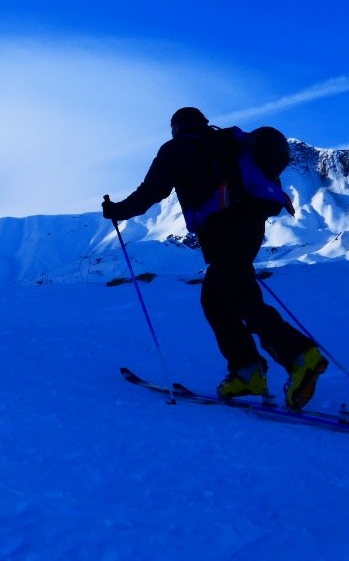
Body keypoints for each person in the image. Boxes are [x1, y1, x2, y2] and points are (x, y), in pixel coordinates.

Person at [102, 107, 328, 410]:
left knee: (243, 300)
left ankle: (300, 356)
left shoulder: (178, 148)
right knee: (216, 300)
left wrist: (117, 210)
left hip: (225, 232)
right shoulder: (226, 144)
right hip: (248, 228)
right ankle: (247, 372)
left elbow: (151, 192)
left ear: (177, 127)